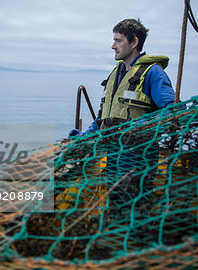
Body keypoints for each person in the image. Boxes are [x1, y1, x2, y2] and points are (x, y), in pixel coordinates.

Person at [69, 19, 175, 237]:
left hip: (138, 156)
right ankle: (117, 248)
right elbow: (105, 117)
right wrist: (84, 135)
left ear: (134, 42)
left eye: (118, 40)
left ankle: (138, 253)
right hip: (114, 155)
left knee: (136, 208)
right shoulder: (116, 73)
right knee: (115, 206)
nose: (113, 46)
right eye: (113, 40)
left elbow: (172, 111)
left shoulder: (153, 73)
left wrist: (138, 127)